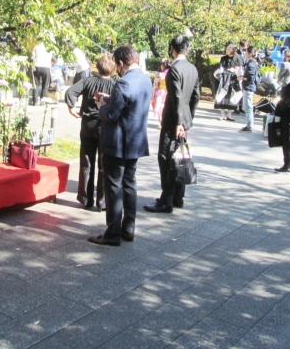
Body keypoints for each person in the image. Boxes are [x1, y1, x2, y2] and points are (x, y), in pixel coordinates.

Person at [88, 45, 152, 246]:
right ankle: (128, 227)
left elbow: (110, 115)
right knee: (129, 184)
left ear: (122, 63)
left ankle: (113, 232)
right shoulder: (145, 80)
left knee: (114, 186)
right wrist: (110, 99)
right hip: (135, 142)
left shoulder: (124, 83)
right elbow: (130, 105)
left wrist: (101, 105)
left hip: (117, 143)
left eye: (117, 65)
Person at [144, 35, 200, 214]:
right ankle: (178, 197)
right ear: (188, 49)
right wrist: (188, 119)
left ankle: (166, 200)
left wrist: (178, 122)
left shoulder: (174, 69)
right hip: (183, 122)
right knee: (179, 157)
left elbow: (175, 97)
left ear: (172, 49)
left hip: (172, 122)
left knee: (167, 158)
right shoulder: (193, 69)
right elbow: (196, 96)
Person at [65, 54, 116, 211]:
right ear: (114, 69)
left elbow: (70, 92)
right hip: (105, 126)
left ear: (97, 66)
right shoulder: (115, 85)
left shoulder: (88, 81)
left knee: (86, 161)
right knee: (104, 164)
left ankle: (85, 198)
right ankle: (102, 201)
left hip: (87, 124)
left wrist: (71, 108)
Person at [214, 44, 243, 121]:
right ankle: (222, 114)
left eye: (228, 49)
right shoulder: (223, 58)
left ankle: (229, 114)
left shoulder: (238, 57)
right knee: (223, 95)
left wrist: (235, 69)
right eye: (226, 49)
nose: (227, 51)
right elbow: (221, 67)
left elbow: (240, 67)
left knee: (231, 95)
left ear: (232, 50)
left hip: (233, 79)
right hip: (224, 78)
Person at [238, 46, 260, 132]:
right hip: (249, 87)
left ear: (250, 54)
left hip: (249, 87)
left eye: (246, 52)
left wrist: (242, 78)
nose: (245, 53)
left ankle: (250, 125)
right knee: (246, 106)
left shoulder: (251, 64)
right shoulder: (254, 62)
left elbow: (250, 78)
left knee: (248, 107)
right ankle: (249, 124)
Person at [151, 59, 170, 126]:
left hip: (161, 92)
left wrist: (154, 91)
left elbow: (155, 84)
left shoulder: (159, 74)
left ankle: (161, 122)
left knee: (160, 107)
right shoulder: (171, 73)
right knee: (167, 106)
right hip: (168, 92)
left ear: (163, 65)